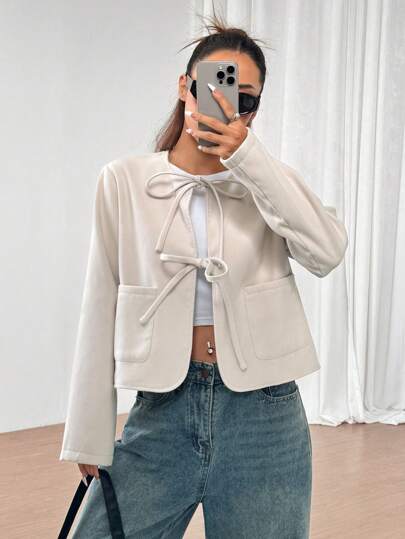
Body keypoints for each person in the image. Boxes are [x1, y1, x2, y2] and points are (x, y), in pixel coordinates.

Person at [59, 9, 348, 539]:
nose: (227, 104)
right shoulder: (125, 182)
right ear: (184, 87)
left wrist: (250, 160)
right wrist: (88, 431)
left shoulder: (270, 183)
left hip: (264, 417)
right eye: (214, 87)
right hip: (162, 410)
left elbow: (327, 253)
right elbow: (98, 303)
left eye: (245, 99)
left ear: (255, 111)